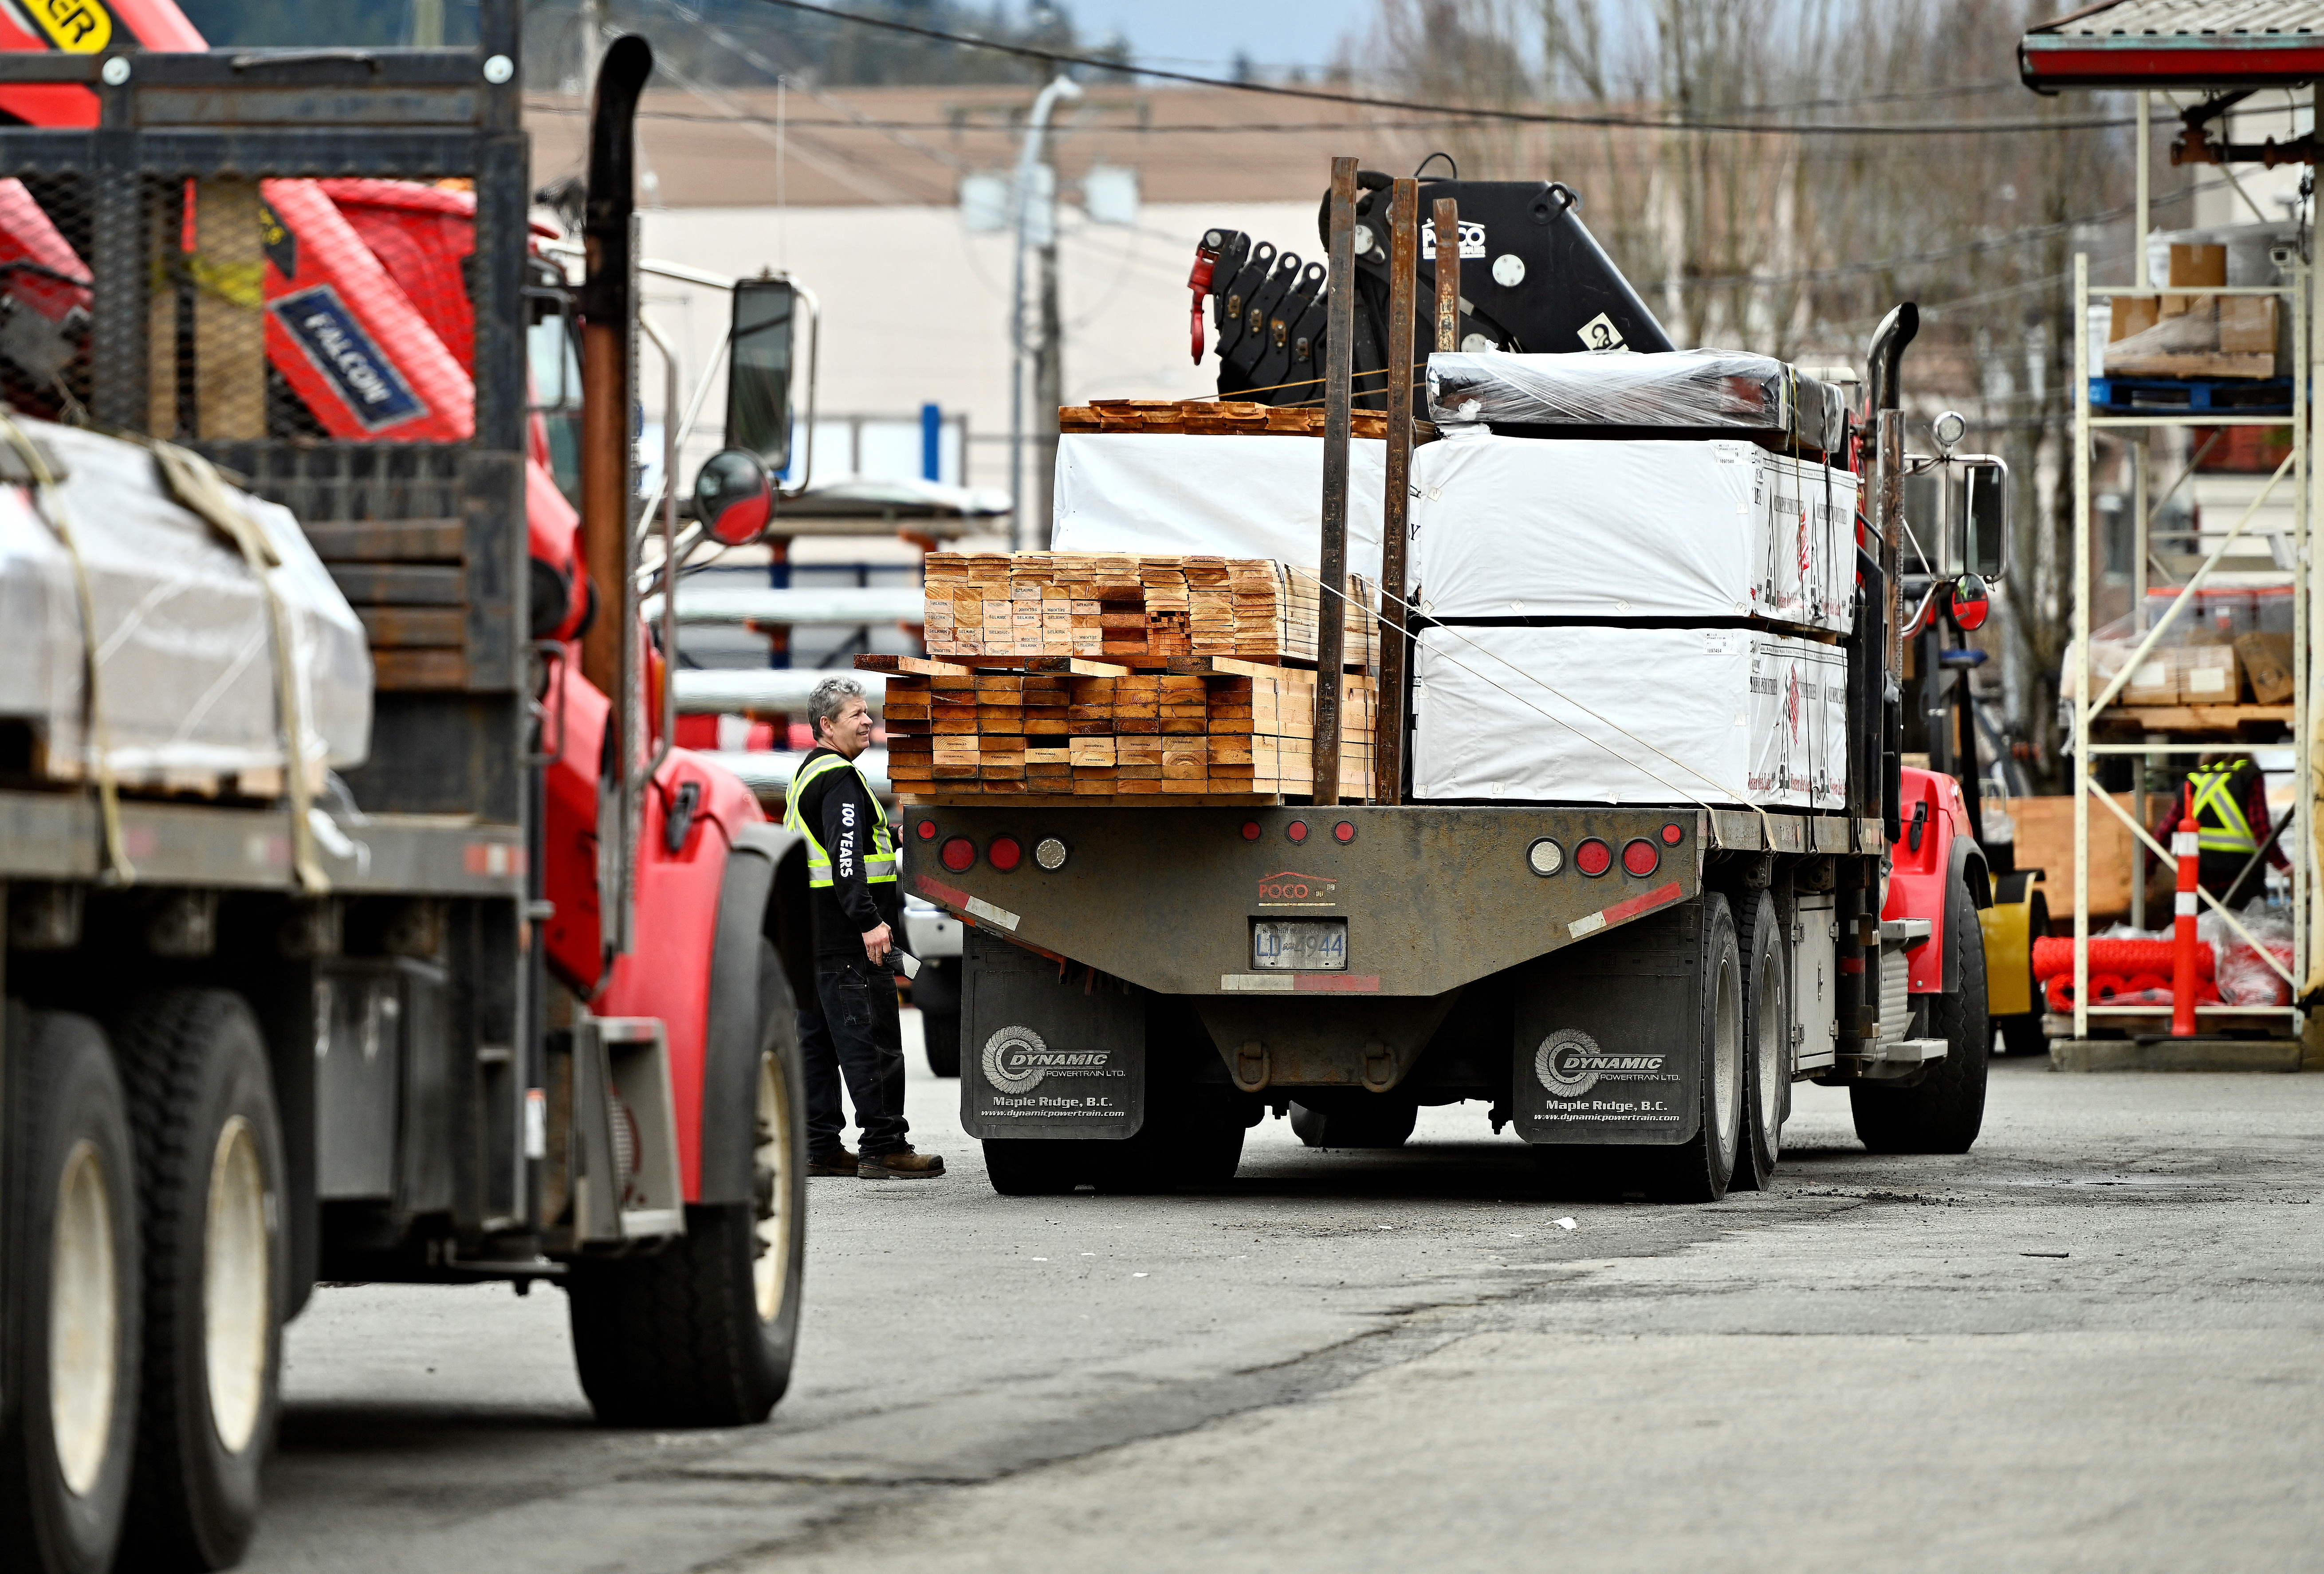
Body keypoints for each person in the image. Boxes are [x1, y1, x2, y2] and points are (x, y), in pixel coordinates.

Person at [783, 677, 944, 1181]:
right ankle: (885, 1146)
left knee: (818, 1044)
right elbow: (846, 859)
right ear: (827, 726)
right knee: (869, 1039)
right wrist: (870, 922)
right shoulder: (840, 781)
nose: (868, 720)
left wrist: (891, 833)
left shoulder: (809, 775)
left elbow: (844, 842)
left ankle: (819, 1146)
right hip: (847, 939)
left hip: (811, 938)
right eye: (856, 714)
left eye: (867, 712)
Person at [2145, 750, 2287, 910]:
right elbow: (2260, 827)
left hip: (2201, 881)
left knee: (2204, 933)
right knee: (2243, 932)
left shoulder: (2194, 781)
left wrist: (2146, 871)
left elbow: (2164, 832)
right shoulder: (2247, 775)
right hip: (2242, 878)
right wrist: (2283, 865)